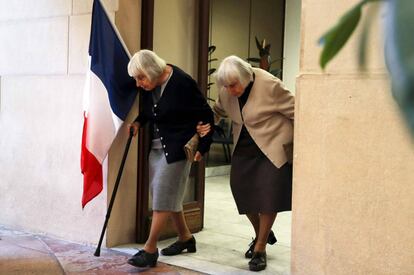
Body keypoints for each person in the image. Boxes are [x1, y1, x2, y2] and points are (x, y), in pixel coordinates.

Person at [197, 55, 294, 272]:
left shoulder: (270, 85)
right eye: (227, 86)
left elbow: (297, 110)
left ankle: (260, 248)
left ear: (247, 77)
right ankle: (263, 232)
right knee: (242, 193)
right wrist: (206, 125)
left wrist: (299, 145)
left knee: (268, 198)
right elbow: (218, 112)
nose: (230, 90)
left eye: (234, 85)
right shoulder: (226, 89)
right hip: (245, 146)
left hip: (273, 145)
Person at [126, 50, 214, 268]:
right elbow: (149, 111)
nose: (139, 83)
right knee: (166, 195)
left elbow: (206, 114)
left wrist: (203, 146)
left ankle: (150, 248)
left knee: (163, 198)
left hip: (177, 149)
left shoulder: (182, 82)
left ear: (152, 71)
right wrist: (137, 123)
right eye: (136, 79)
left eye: (141, 78)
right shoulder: (150, 85)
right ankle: (186, 238)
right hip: (156, 148)